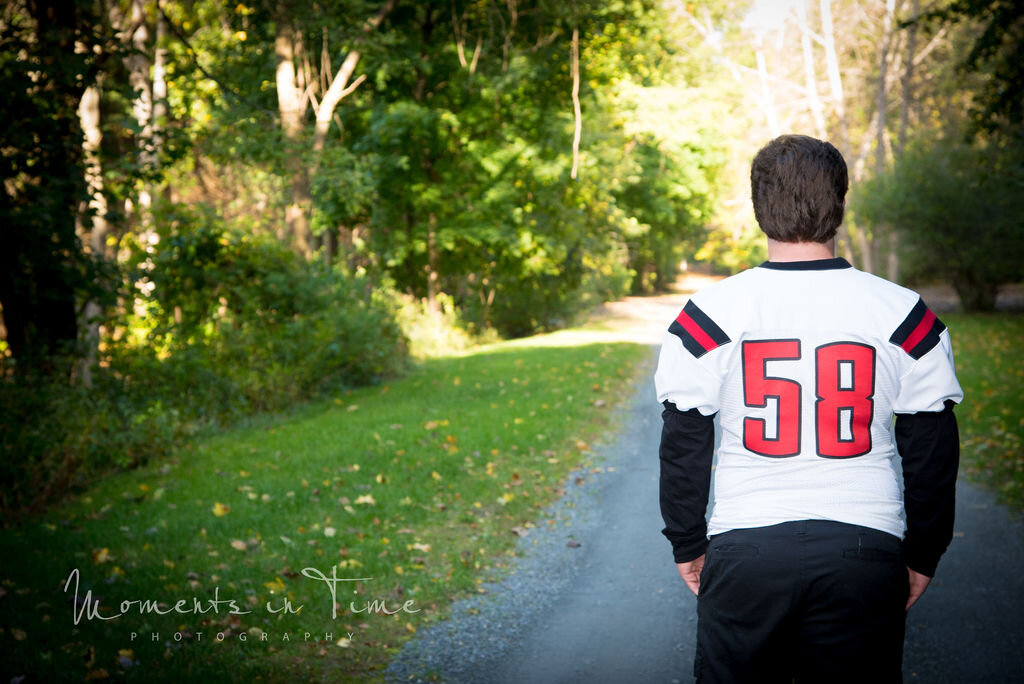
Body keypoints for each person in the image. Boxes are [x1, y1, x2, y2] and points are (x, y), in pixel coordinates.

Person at [655, 134, 963, 683]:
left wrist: (686, 541)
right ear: (841, 204)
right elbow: (932, 451)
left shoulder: (711, 313)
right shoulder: (901, 311)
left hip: (747, 544)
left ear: (757, 208)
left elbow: (683, 443)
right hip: (865, 546)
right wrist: (923, 552)